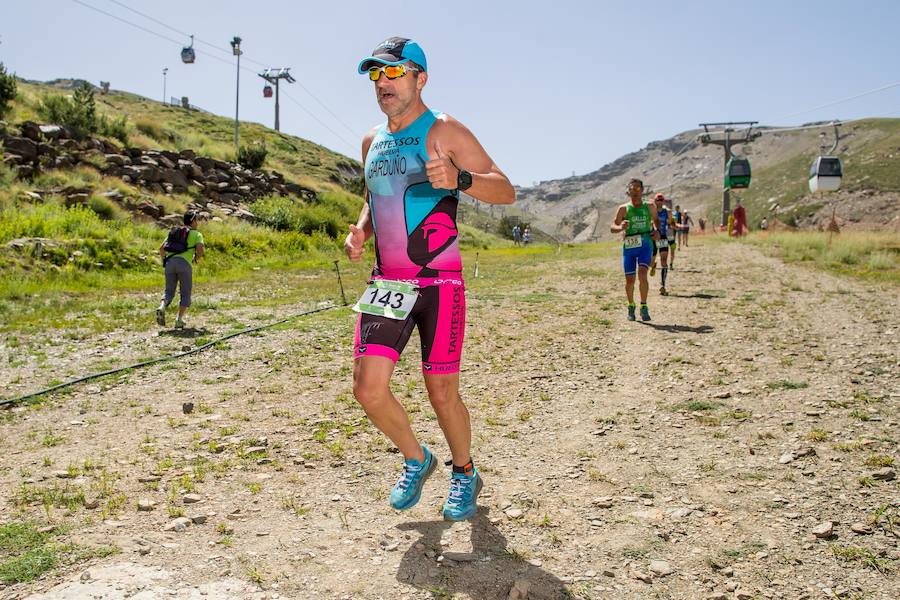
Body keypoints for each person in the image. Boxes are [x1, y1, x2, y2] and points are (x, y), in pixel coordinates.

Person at [345, 37, 515, 522]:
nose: (384, 84)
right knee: (367, 389)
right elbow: (377, 195)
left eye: (394, 73)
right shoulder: (369, 141)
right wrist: (362, 229)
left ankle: (465, 471)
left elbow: (505, 189)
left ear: (420, 77)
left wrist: (459, 180)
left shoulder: (443, 130)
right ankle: (417, 459)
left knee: (441, 392)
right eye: (376, 75)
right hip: (389, 284)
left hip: (440, 283)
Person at [610, 178, 660, 321]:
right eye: (633, 189)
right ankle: (631, 305)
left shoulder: (649, 206)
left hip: (645, 244)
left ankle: (644, 306)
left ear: (642, 190)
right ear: (628, 191)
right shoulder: (623, 209)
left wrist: (657, 231)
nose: (635, 191)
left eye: (638, 189)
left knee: (643, 274)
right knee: (630, 280)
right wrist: (620, 227)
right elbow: (612, 227)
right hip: (629, 246)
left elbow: (656, 220)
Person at [156, 211, 204, 329]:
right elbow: (200, 250)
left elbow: (161, 249)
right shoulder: (196, 234)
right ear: (192, 221)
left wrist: (164, 261)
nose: (197, 223)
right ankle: (179, 319)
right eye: (196, 220)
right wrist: (195, 258)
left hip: (170, 263)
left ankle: (162, 306)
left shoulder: (174, 232)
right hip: (184, 264)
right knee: (185, 292)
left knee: (169, 290)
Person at [648, 193, 674, 295]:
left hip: (663, 237)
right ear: (655, 201)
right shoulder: (651, 211)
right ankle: (653, 265)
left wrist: (671, 237)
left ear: (663, 201)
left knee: (664, 261)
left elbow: (670, 223)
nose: (659, 202)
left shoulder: (667, 212)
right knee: (650, 261)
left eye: (661, 200)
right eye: (657, 200)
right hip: (653, 238)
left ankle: (663, 285)